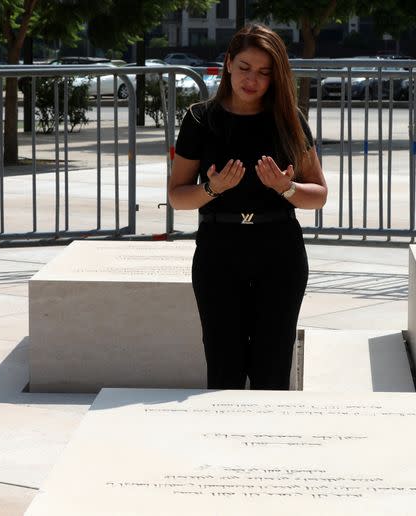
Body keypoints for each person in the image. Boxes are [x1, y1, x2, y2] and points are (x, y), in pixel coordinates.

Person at [168, 23, 327, 390]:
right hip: (219, 250)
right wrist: (212, 188)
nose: (251, 79)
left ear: (276, 76)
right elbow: (178, 195)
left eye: (263, 72)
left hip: (280, 250)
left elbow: (318, 194)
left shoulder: (288, 120)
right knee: (224, 367)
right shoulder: (199, 119)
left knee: (273, 368)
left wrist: (286, 188)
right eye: (244, 68)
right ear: (227, 64)